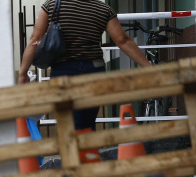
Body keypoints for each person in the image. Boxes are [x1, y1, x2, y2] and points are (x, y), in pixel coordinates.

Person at [18, 0, 151, 130]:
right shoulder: (103, 9)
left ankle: (73, 145)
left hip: (63, 71)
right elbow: (122, 40)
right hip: (93, 71)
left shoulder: (51, 5)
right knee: (87, 123)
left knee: (67, 125)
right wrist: (148, 67)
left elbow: (35, 39)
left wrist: (23, 73)